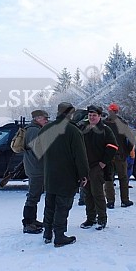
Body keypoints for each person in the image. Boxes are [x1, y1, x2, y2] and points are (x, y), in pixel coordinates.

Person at [35, 102, 89, 247]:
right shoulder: (73, 131)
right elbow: (80, 156)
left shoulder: (45, 129)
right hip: (67, 175)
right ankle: (59, 236)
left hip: (50, 174)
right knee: (63, 205)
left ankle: (47, 233)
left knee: (50, 204)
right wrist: (84, 175)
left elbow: (37, 150)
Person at [80, 105, 118, 230]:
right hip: (85, 167)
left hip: (97, 167)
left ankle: (102, 219)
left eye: (94, 115)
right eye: (90, 115)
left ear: (100, 116)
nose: (91, 117)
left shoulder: (105, 130)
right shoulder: (83, 128)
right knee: (87, 194)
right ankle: (90, 218)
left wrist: (103, 162)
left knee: (97, 194)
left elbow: (113, 147)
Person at [21, 110, 49, 234]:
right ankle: (28, 223)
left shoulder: (33, 129)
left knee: (35, 195)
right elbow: (38, 150)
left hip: (35, 167)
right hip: (36, 168)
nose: (46, 120)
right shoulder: (34, 130)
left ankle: (32, 220)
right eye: (44, 118)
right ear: (37, 118)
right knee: (32, 196)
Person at [104, 103, 135, 208]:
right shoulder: (122, 124)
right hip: (120, 155)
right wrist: (127, 151)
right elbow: (131, 139)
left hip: (108, 155)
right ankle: (125, 200)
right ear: (117, 111)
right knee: (123, 178)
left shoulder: (103, 124)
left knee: (109, 178)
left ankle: (110, 201)